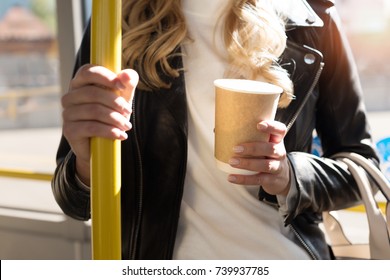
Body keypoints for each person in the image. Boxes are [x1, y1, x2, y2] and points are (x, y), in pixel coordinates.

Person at [52, 0, 380, 260]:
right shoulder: (116, 20)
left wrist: (289, 174)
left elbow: (363, 167)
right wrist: (86, 162)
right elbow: (74, 203)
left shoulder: (312, 18)